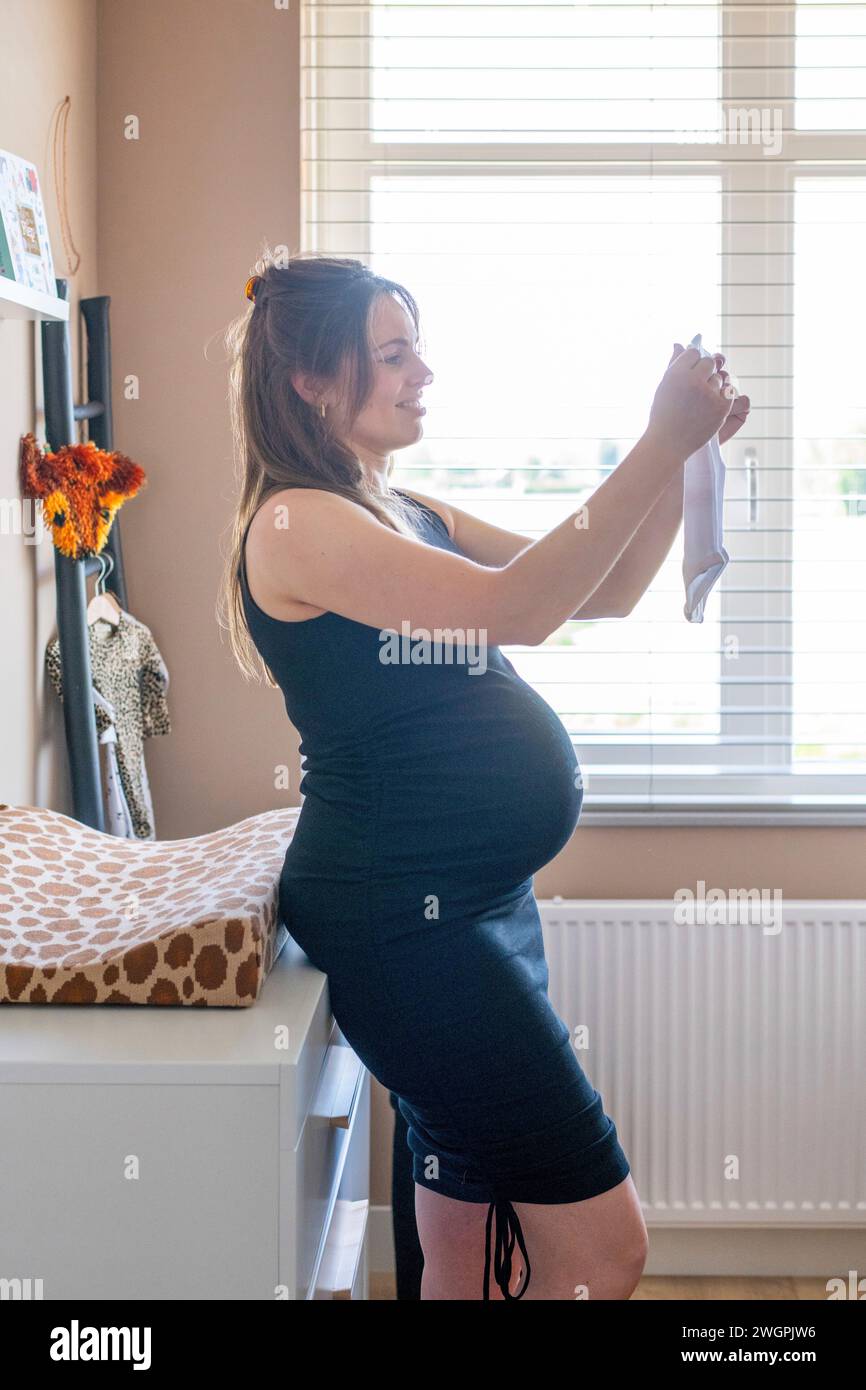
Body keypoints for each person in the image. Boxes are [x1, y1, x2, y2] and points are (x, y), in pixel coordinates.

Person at [219, 251, 738, 1299]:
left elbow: (604, 592)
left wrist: (685, 466)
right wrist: (655, 437)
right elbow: (521, 609)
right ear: (312, 382)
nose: (422, 373)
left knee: (462, 1229)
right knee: (601, 1248)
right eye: (392, 354)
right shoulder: (295, 523)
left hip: (473, 903)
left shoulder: (400, 508)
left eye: (417, 349)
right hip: (404, 924)